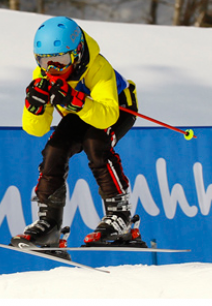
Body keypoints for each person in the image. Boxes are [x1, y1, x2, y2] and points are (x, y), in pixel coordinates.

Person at [14, 16, 146, 249]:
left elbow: (107, 115)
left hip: (118, 108)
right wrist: (33, 107)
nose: (54, 69)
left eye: (61, 60)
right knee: (53, 150)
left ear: (78, 52)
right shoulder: (42, 75)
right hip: (80, 112)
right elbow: (37, 129)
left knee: (96, 145)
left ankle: (120, 216)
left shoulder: (97, 66)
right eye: (45, 62)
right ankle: (49, 223)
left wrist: (79, 103)